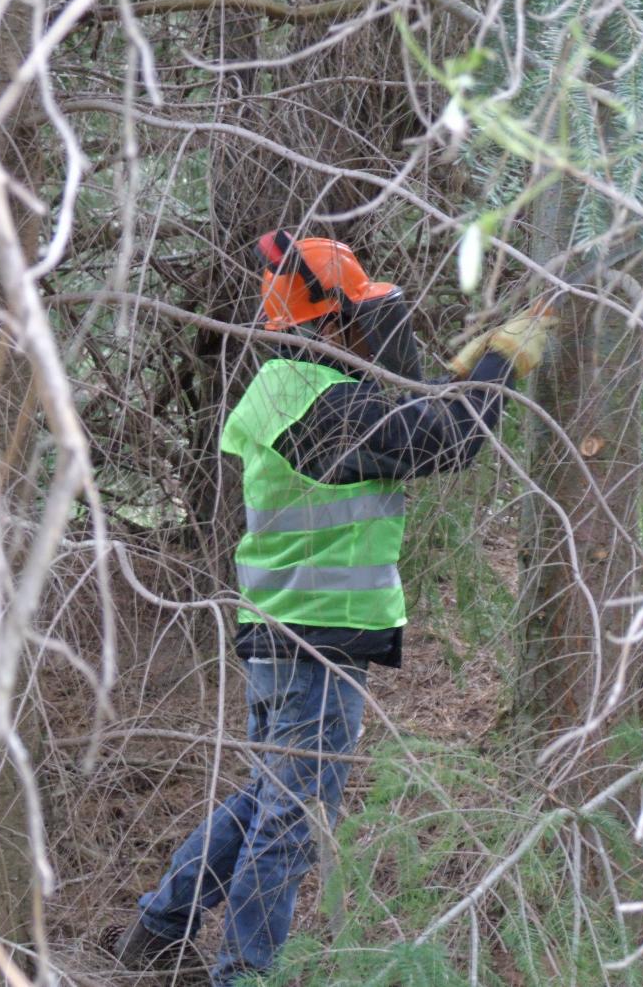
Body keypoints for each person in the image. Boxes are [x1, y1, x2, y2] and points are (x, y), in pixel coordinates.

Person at [103, 231, 555, 985]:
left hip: (291, 634)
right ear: (327, 322)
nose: (369, 331)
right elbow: (443, 444)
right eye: (359, 318)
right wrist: (501, 363)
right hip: (314, 642)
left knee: (265, 800)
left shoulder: (304, 388)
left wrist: (463, 370)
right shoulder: (313, 402)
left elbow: (401, 419)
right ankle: (242, 973)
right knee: (290, 820)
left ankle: (158, 926)